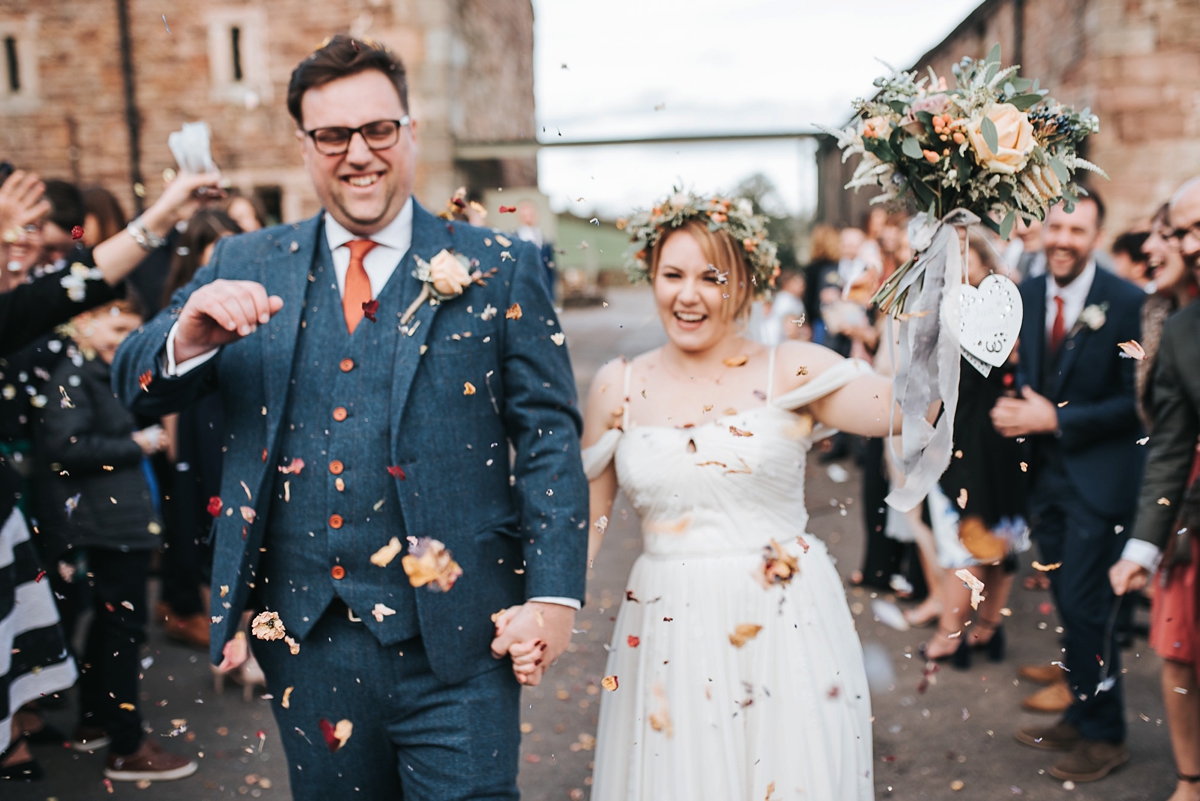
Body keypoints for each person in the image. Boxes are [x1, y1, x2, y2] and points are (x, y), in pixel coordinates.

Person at [112, 36, 587, 799]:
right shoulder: (242, 261)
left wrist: (555, 597)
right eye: (333, 135)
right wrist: (189, 334)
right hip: (308, 638)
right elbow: (130, 384)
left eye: (378, 130)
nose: (358, 153)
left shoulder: (500, 264)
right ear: (305, 147)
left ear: (410, 133)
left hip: (462, 635)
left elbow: (549, 438)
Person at [573, 190, 897, 801]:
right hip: (667, 629)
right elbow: (582, 525)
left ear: (745, 283)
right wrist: (541, 610)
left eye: (709, 277)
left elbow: (911, 411)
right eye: (672, 275)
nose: (687, 294)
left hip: (785, 623)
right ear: (652, 276)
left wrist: (947, 285)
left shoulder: (792, 368)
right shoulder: (619, 384)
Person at [0, 165, 219, 780]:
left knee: (75, 617)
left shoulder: (45, 312)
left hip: (41, 507)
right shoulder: (62, 353)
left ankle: (42, 721)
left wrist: (168, 206)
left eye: (37, 236)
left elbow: (81, 282)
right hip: (70, 499)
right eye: (16, 237)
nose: (26, 249)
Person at [992, 193, 1145, 783]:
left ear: (1096, 234)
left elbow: (1135, 404)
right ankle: (1083, 713)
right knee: (1066, 604)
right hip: (1043, 481)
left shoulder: (1128, 302)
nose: (1062, 239)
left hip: (1099, 482)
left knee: (1087, 608)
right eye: (1055, 226)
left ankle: (1106, 736)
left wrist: (1057, 419)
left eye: (1076, 230)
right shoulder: (1026, 296)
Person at [31, 294, 197, 782]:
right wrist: (137, 443)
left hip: (121, 519)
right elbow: (65, 447)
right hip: (106, 523)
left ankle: (92, 720)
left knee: (110, 627)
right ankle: (126, 745)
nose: (123, 330)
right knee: (122, 630)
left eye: (130, 322)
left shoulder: (109, 373)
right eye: (112, 320)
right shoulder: (72, 376)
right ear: (83, 323)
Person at [1110, 176, 1200, 801]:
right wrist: (1142, 547)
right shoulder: (1182, 331)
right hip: (1191, 507)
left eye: (1190, 231)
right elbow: (1170, 444)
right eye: (1181, 231)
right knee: (1178, 646)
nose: (1184, 245)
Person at [921, 234, 1029, 667]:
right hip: (973, 427)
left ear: (988, 264)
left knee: (980, 536)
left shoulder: (1007, 308)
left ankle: (958, 635)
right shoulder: (941, 310)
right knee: (984, 531)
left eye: (969, 257)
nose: (961, 266)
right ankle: (982, 630)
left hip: (989, 433)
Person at [154, 209, 244, 651]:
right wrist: (173, 442)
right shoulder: (180, 304)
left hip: (240, 408)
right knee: (207, 517)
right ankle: (222, 636)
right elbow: (166, 381)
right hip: (200, 414)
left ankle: (250, 634)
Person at [759, 266, 806, 345]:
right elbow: (790, 324)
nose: (802, 287)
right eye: (797, 283)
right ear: (787, 283)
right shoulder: (789, 300)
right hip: (778, 338)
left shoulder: (781, 297)